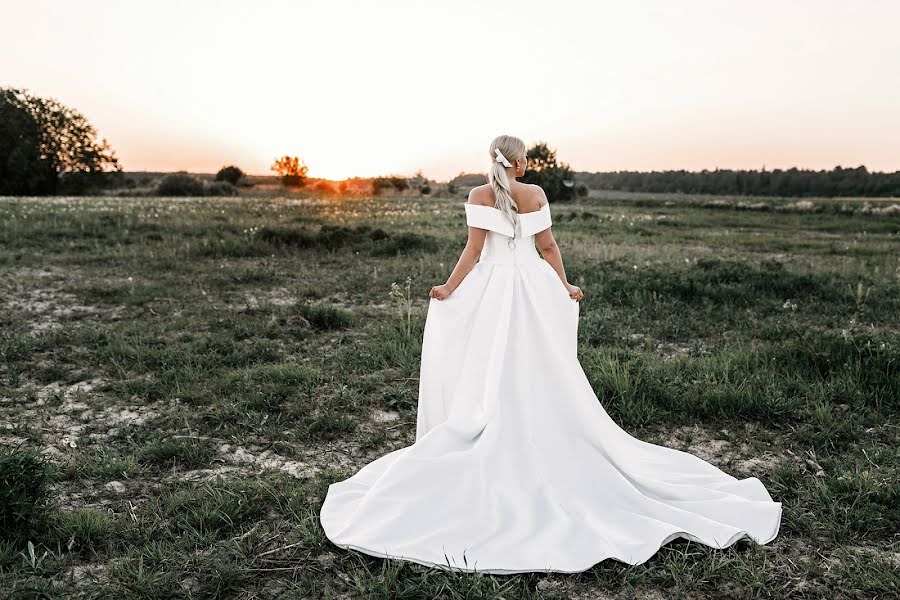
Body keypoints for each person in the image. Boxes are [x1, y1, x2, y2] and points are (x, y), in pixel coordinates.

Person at [319, 135, 781, 575]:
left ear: (492, 159)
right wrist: (563, 285)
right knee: (541, 363)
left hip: (493, 290)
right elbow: (547, 246)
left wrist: (448, 288)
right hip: (533, 288)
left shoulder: (480, 195)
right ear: (520, 162)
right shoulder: (536, 192)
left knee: (491, 360)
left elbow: (474, 252)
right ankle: (534, 422)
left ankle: (493, 420)